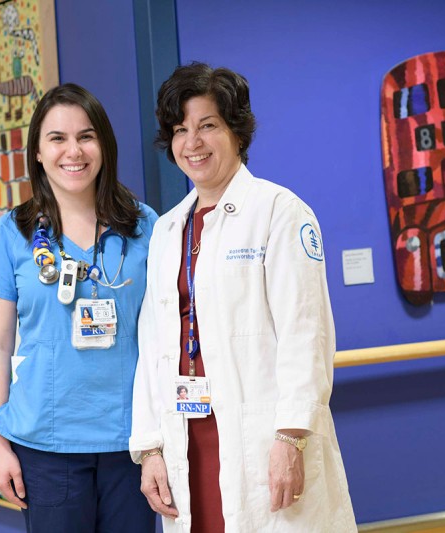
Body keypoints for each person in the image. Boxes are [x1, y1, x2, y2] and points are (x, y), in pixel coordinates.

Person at [130, 63, 356, 532]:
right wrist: (150, 448)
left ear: (236, 130)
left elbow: (305, 331)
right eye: (180, 130)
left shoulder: (280, 212)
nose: (192, 143)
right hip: (187, 437)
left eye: (207, 125)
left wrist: (291, 439)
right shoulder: (167, 229)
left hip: (263, 434)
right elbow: (152, 346)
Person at [0, 83, 157, 532]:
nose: (73, 151)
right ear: (37, 151)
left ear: (104, 146)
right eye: (57, 138)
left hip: (133, 442)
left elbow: (165, 335)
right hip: (46, 447)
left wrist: (158, 445)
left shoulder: (145, 226)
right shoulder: (11, 234)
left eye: (86, 136)